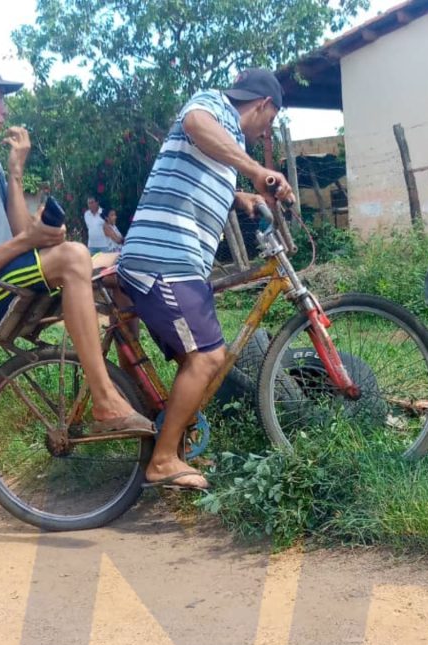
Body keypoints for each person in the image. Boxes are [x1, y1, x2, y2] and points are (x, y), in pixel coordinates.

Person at [0, 56, 153, 435]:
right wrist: (30, 240)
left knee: (120, 261)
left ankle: (140, 393)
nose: (5, 108)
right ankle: (105, 401)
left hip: (1, 277)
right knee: (74, 256)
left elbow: (18, 231)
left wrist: (16, 173)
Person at [118, 68, 294, 492]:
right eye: (268, 123)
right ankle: (161, 460)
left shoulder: (224, 138)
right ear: (263, 105)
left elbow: (197, 173)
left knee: (193, 363)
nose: (262, 132)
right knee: (208, 359)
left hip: (177, 258)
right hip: (166, 258)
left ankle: (174, 446)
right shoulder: (214, 106)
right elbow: (197, 124)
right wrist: (255, 169)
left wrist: (243, 196)